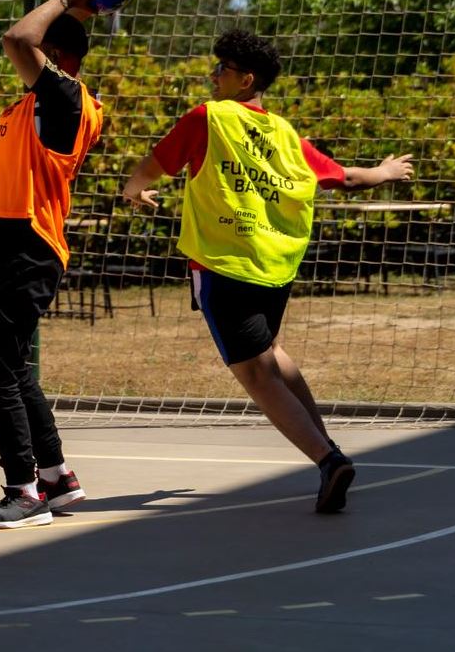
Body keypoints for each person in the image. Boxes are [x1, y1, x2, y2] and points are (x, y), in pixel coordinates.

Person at [121, 29, 414, 513]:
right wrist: (384, 172)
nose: (213, 75)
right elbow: (343, 178)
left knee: (255, 375)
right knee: (272, 355)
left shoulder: (209, 118)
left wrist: (134, 189)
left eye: (222, 69)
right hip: (275, 270)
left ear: (245, 79)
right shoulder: (283, 133)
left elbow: (155, 164)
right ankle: (328, 447)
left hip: (224, 265)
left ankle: (327, 459)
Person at [0, 0, 112, 529]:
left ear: (55, 54)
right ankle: (54, 476)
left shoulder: (65, 96)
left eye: (43, 47)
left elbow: (16, 37)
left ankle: (22, 493)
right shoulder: (35, 103)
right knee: (14, 367)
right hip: (8, 238)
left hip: (26, 243)